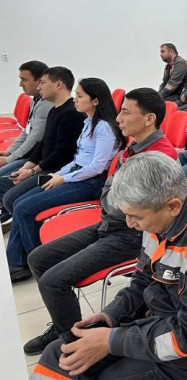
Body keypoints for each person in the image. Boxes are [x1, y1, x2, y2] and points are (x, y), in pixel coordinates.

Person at [21, 152, 187, 380]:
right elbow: (144, 279)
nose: (129, 223)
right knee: (61, 353)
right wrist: (113, 314)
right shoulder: (161, 216)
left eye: (136, 217)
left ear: (173, 206)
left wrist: (111, 341)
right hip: (162, 325)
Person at [23, 88, 178, 355]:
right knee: (38, 258)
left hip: (132, 234)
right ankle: (64, 326)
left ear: (149, 118)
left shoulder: (160, 157)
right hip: (109, 223)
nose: (118, 118)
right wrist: (109, 198)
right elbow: (110, 192)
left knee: (52, 281)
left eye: (126, 112)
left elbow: (134, 207)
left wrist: (110, 198)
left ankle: (76, 344)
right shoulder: (134, 146)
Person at [7, 77, 125, 282]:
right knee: (18, 203)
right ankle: (18, 261)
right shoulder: (88, 122)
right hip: (76, 175)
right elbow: (78, 159)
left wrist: (63, 178)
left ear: (95, 101)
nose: (75, 100)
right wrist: (59, 174)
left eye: (79, 96)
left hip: (90, 182)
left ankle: (41, 264)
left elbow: (96, 167)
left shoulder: (104, 128)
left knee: (24, 209)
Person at [1, 68, 85, 229]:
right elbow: (42, 141)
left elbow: (63, 154)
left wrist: (33, 171)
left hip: (56, 169)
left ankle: (23, 228)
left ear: (58, 85)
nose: (39, 87)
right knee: (10, 193)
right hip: (45, 164)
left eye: (43, 83)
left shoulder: (71, 113)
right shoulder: (54, 110)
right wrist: (28, 165)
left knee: (12, 199)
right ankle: (17, 224)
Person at [0, 61, 53, 231]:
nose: (20, 84)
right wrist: (9, 152)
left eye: (24, 79)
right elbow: (27, 131)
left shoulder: (46, 105)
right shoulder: (36, 101)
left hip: (36, 157)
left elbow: (35, 137)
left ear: (39, 81)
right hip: (32, 154)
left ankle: (7, 212)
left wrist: (10, 159)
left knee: (2, 178)